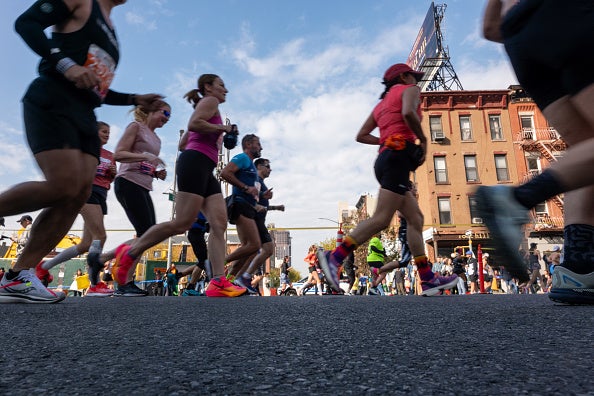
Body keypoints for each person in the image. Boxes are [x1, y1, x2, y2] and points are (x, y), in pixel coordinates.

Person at [0, 0, 163, 304]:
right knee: (61, 185)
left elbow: (96, 87)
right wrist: (67, 65)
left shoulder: (112, 31)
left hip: (84, 115)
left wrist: (135, 98)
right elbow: (26, 24)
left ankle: (19, 276)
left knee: (76, 195)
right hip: (53, 97)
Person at [479, 1, 594, 304]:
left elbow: (490, 29)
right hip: (568, 16)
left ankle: (579, 267)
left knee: (585, 152)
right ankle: (517, 199)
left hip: (520, 41)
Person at [317, 63, 458, 296]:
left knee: (415, 218)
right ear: (403, 76)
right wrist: (423, 140)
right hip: (397, 158)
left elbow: (361, 135)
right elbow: (408, 113)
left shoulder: (380, 105)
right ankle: (335, 257)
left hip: (385, 160)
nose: (416, 80)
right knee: (382, 219)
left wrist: (383, 141)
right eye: (414, 76)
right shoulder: (409, 90)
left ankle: (427, 278)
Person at [110, 73, 245, 298]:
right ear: (208, 87)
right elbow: (194, 124)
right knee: (181, 223)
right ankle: (130, 253)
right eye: (222, 85)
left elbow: (184, 143)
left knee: (219, 222)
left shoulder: (208, 107)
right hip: (195, 163)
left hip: (204, 166)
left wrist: (215, 134)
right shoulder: (209, 102)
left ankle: (218, 281)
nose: (226, 90)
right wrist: (223, 129)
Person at [35, 121, 116, 296]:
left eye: (109, 132)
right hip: (88, 192)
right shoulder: (84, 150)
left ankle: (43, 267)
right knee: (100, 235)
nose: (107, 134)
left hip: (102, 194)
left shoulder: (110, 155)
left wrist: (112, 174)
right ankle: (94, 285)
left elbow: (110, 178)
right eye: (104, 131)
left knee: (86, 244)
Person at [220, 134, 264, 293]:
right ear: (249, 144)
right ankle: (217, 263)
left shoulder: (250, 165)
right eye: (258, 144)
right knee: (255, 245)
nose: (261, 148)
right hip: (240, 205)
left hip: (248, 206)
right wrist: (245, 188)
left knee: (249, 249)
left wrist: (258, 201)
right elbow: (225, 173)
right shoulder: (243, 158)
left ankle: (228, 281)